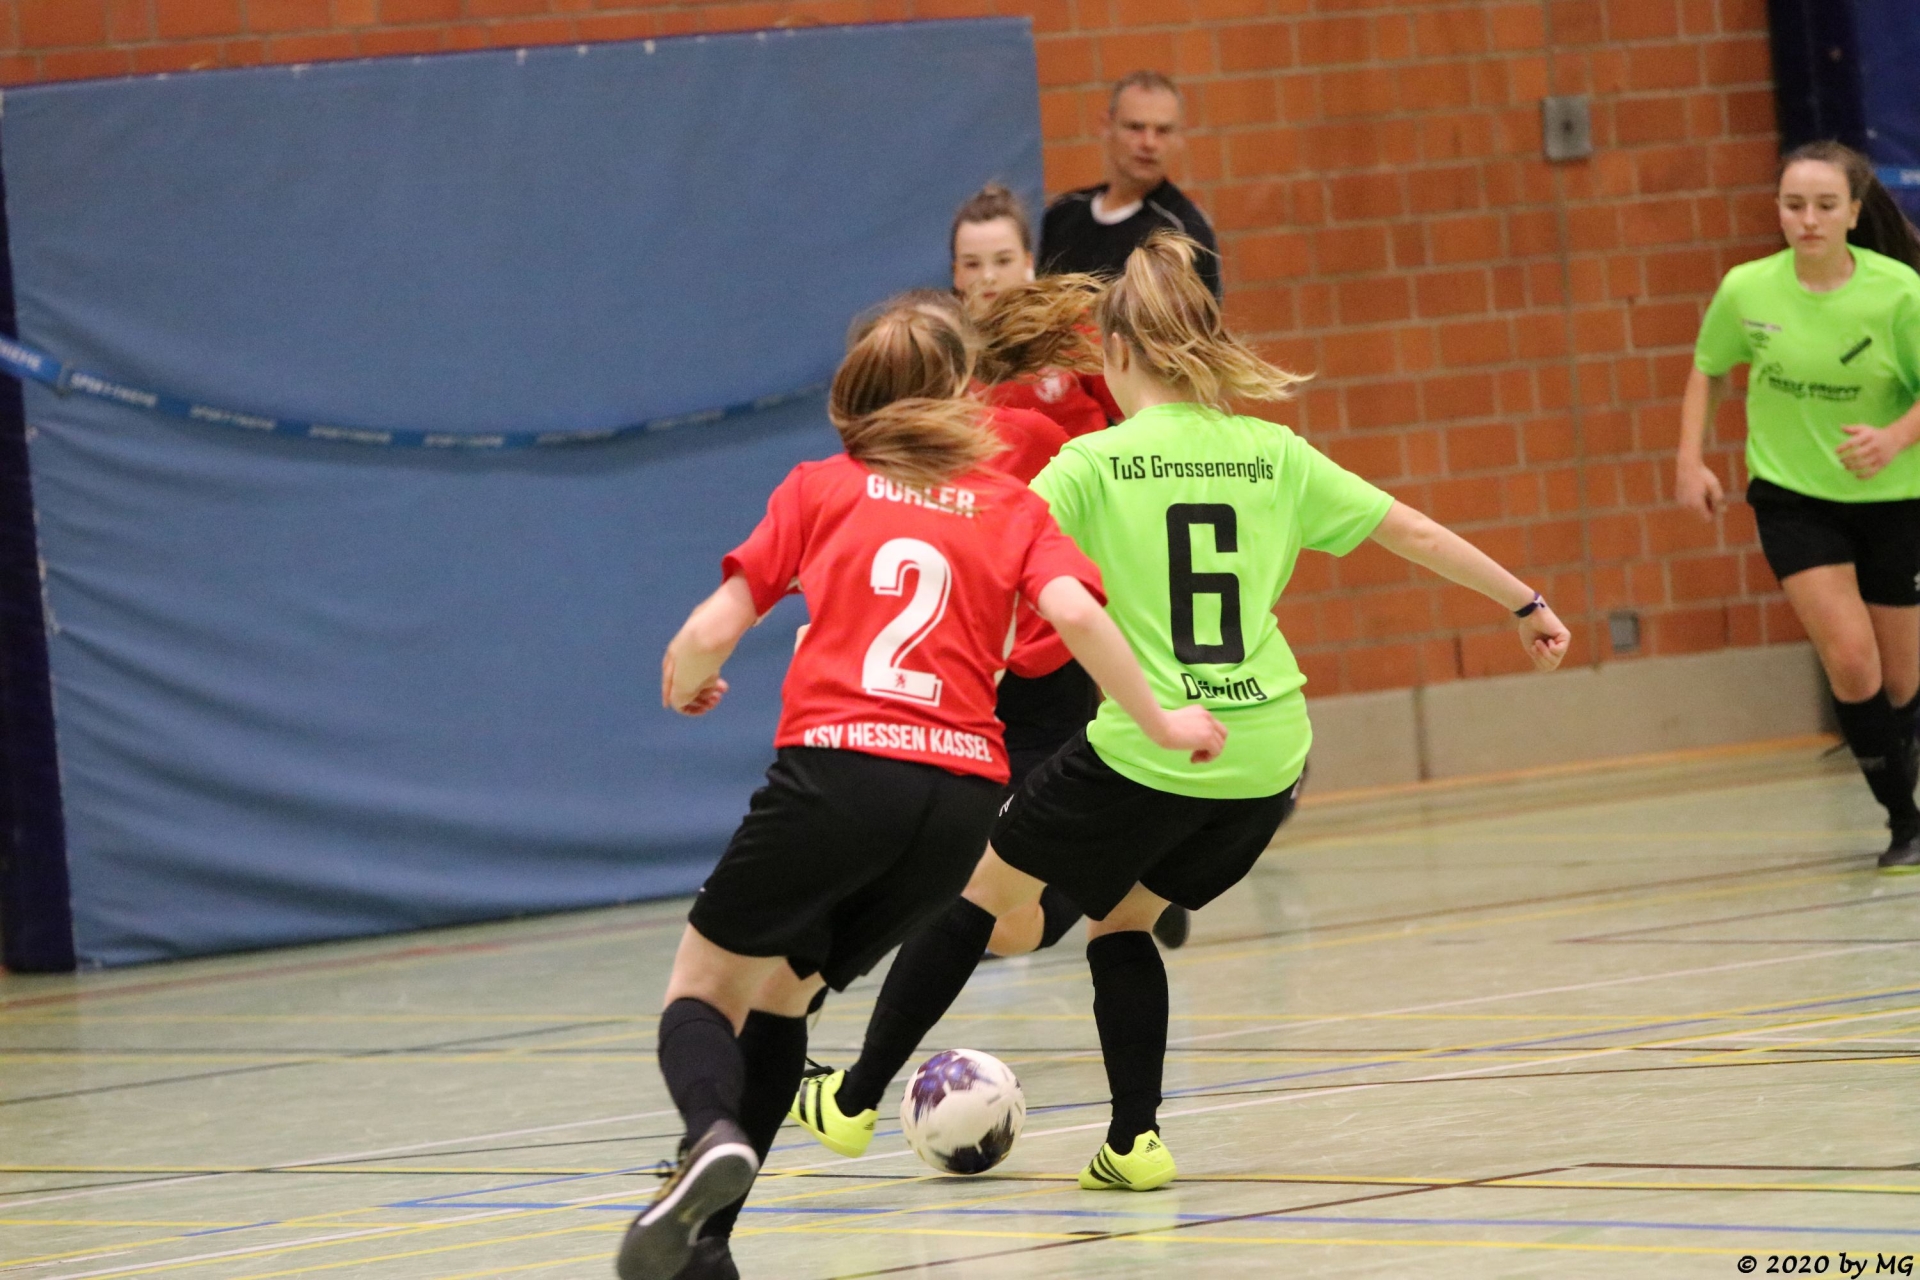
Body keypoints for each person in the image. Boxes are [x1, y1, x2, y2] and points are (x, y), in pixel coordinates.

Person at [791, 233, 1570, 1188]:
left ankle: (853, 1101)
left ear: (1115, 351)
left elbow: (983, 561)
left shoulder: (1093, 464)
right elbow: (1410, 531)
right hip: (1267, 760)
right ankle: (1134, 1144)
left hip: (1152, 748)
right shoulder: (1273, 453)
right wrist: (1524, 603)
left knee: (977, 896)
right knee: (1123, 920)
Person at [614, 295, 1225, 1280]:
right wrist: (1163, 723)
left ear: (853, 399)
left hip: (838, 771)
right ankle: (706, 1249)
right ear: (965, 398)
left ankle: (709, 1138)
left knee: (702, 992)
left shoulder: (822, 486)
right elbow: (1078, 615)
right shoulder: (1011, 504)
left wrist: (689, 680)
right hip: (960, 805)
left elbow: (709, 631)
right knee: (783, 996)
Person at [1676, 140, 1920, 874]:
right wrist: (1690, 459)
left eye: (1823, 205)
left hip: (1893, 498)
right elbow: (1709, 369)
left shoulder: (1898, 293)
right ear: (1778, 212)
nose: (1807, 219)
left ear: (1853, 213)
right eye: (1793, 205)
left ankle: (1895, 751)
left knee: (1901, 679)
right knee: (1850, 659)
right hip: (1793, 497)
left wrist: (1893, 437)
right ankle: (1904, 822)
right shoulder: (1747, 290)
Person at [953, 181, 1120, 439]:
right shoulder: (943, 349)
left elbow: (1133, 421)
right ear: (956, 273)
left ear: (1028, 263)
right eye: (973, 264)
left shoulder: (1071, 330)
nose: (988, 276)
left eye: (1003, 260)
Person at [1040, 70, 1222, 302]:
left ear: (1179, 137)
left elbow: (1202, 321)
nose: (1149, 143)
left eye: (1163, 131)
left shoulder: (1185, 231)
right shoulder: (1062, 214)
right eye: (1135, 127)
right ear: (1107, 126)